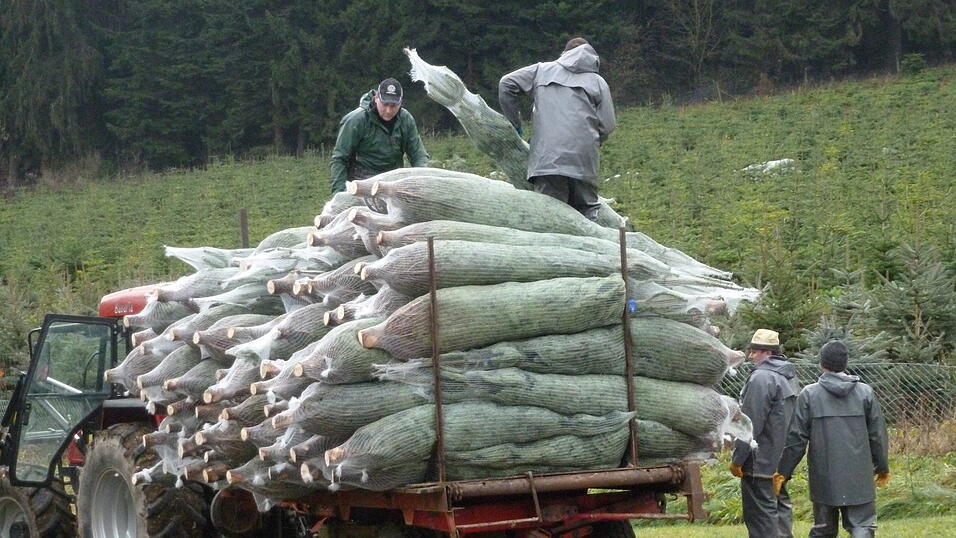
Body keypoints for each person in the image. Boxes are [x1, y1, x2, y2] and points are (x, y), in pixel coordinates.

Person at [774, 340, 890, 538]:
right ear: (845, 363)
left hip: (824, 475)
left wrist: (783, 472)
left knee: (824, 529)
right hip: (859, 476)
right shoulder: (865, 393)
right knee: (862, 526)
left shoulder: (809, 395)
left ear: (822, 364)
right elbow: (877, 435)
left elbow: (796, 440)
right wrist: (882, 467)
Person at [498, 37, 616, 220]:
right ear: (593, 58)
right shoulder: (598, 82)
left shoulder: (541, 71)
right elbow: (608, 125)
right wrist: (591, 143)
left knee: (550, 218)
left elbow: (506, 84)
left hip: (547, 160)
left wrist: (515, 127)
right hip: (584, 160)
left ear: (564, 53)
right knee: (588, 216)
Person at [730, 328, 800, 538]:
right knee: (780, 511)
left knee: (762, 519)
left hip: (759, 462)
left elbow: (750, 424)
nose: (752, 356)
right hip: (780, 461)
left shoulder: (762, 378)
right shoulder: (789, 376)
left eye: (756, 351)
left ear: (768, 353)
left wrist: (738, 459)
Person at [329, 78, 429, 195]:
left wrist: (423, 182)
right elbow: (340, 158)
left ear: (401, 102)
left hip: (393, 182)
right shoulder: (356, 120)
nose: (388, 110)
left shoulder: (406, 119)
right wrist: (339, 194)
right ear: (376, 98)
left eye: (393, 106)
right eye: (385, 104)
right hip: (361, 183)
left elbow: (418, 154)